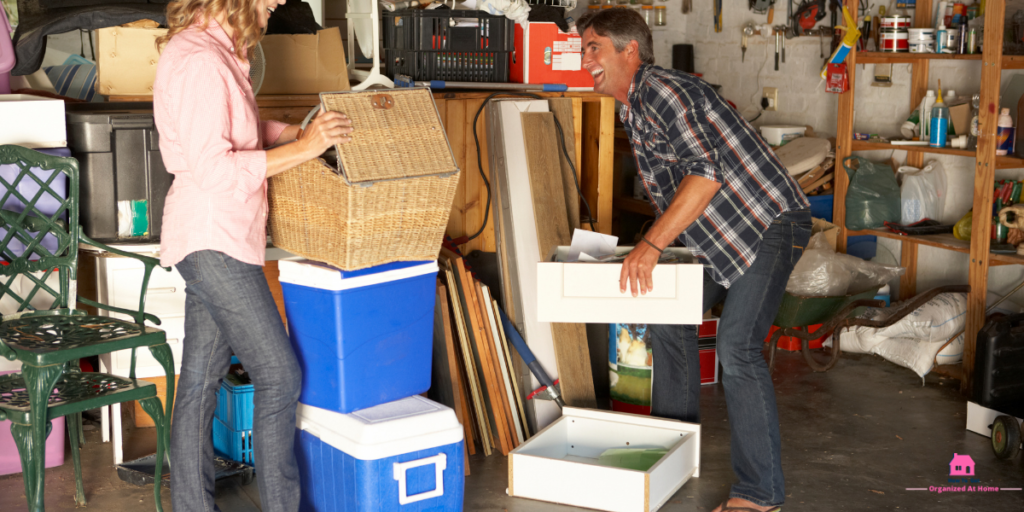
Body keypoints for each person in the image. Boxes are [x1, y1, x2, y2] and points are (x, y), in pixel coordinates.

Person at [577, 8, 811, 512]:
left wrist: (653, 246)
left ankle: (759, 494)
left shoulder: (661, 90)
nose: (584, 59)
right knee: (667, 319)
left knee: (738, 347)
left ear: (629, 50)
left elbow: (704, 175)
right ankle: (674, 456)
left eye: (594, 46)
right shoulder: (632, 106)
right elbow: (678, 187)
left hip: (768, 222)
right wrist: (646, 241)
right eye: (583, 49)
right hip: (715, 236)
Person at [153, 0, 352, 509]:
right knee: (279, 375)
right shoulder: (200, 60)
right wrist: (304, 150)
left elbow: (229, 133)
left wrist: (288, 133)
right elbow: (214, 167)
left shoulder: (215, 51)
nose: (279, 1)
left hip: (220, 238)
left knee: (199, 383)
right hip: (212, 237)